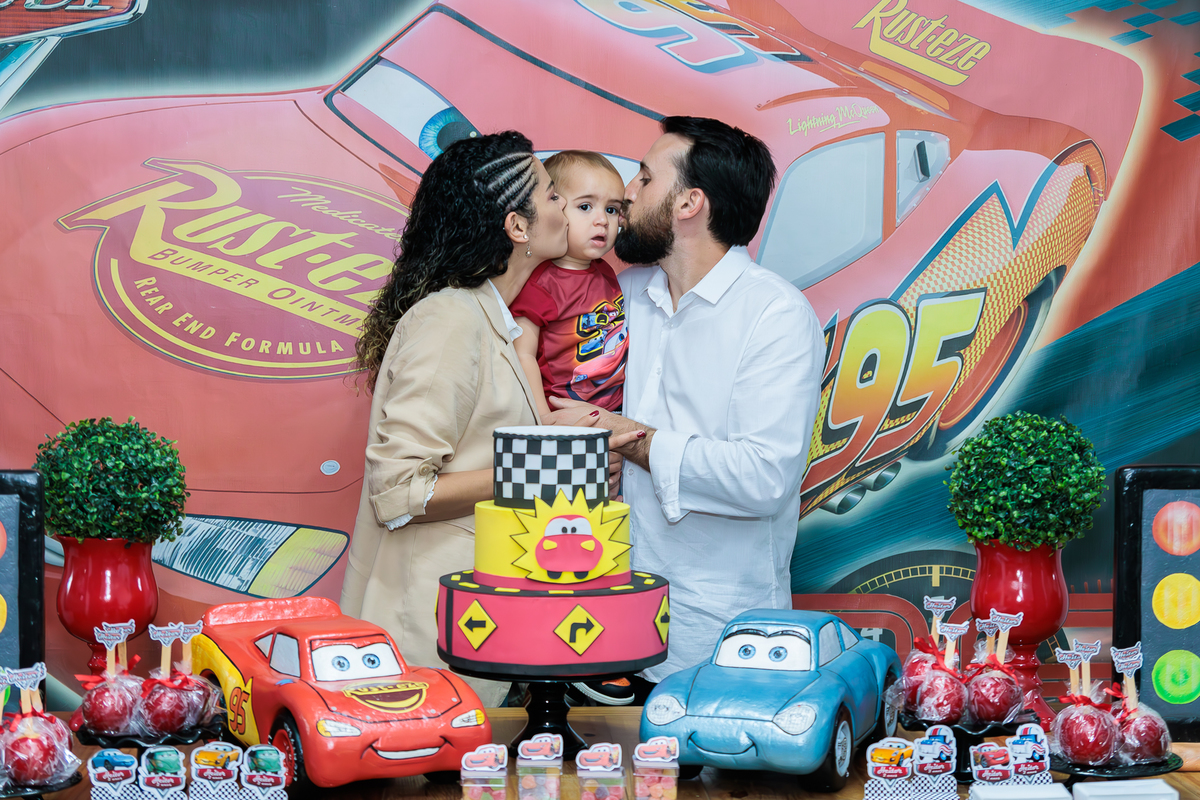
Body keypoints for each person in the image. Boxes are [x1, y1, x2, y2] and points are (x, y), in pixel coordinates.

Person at [544, 116, 825, 691]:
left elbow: (763, 478)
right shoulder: (619, 296)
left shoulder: (774, 315)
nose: (626, 194)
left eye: (645, 179)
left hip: (720, 643)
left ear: (689, 202)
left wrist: (626, 436)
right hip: (598, 629)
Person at [340, 131, 569, 708]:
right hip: (429, 644)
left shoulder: (486, 319)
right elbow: (399, 492)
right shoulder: (450, 320)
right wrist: (541, 469)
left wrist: (577, 437)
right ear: (517, 227)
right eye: (551, 193)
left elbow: (478, 451)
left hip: (474, 629)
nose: (564, 204)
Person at [512, 151, 629, 418]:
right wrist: (545, 420)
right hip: (564, 416)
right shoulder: (540, 284)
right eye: (585, 207)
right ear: (556, 210)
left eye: (611, 209)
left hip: (618, 412)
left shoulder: (606, 272)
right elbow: (522, 356)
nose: (602, 220)